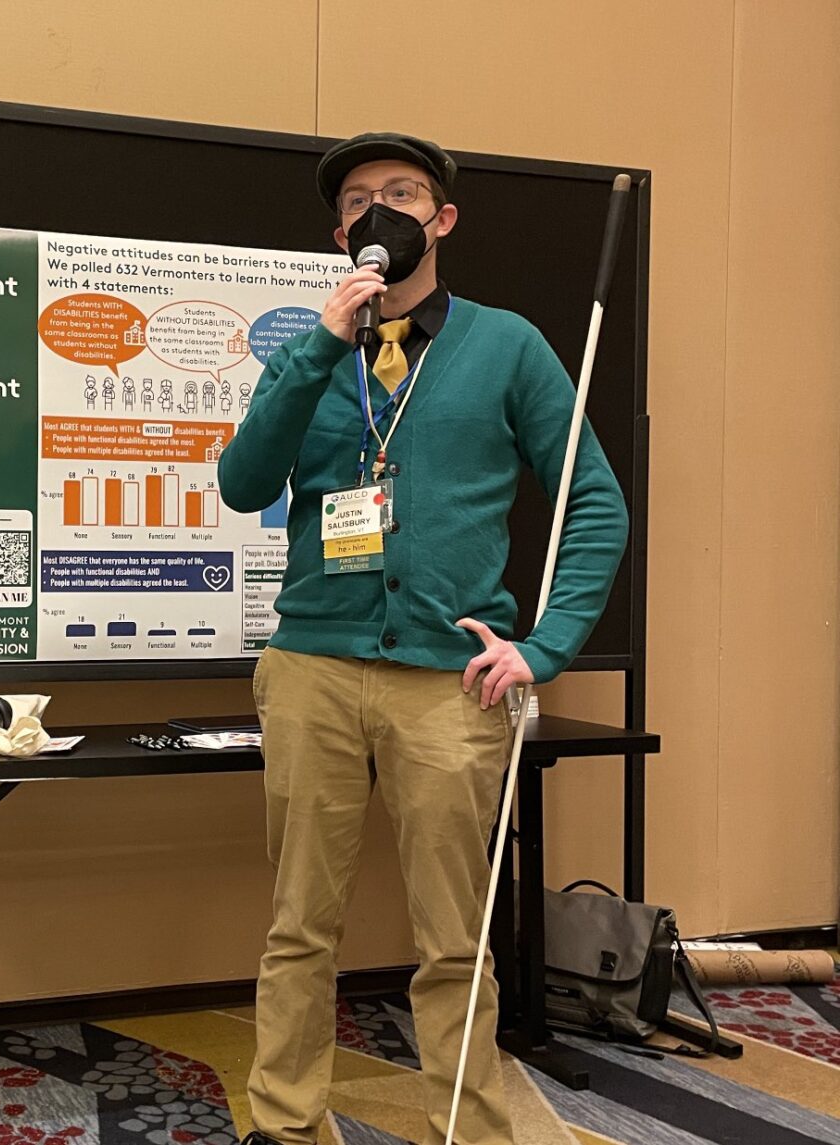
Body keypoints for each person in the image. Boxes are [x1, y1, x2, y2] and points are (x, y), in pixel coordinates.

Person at [218, 132, 629, 1145]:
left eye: (401, 193)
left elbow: (593, 501)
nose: (379, 212)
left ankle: (470, 1126)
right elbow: (239, 482)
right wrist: (318, 342)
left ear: (441, 219)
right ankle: (283, 1123)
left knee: (454, 935)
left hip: (448, 682)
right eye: (358, 200)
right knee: (297, 925)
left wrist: (544, 644)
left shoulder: (507, 345)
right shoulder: (310, 350)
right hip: (311, 666)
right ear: (339, 232)